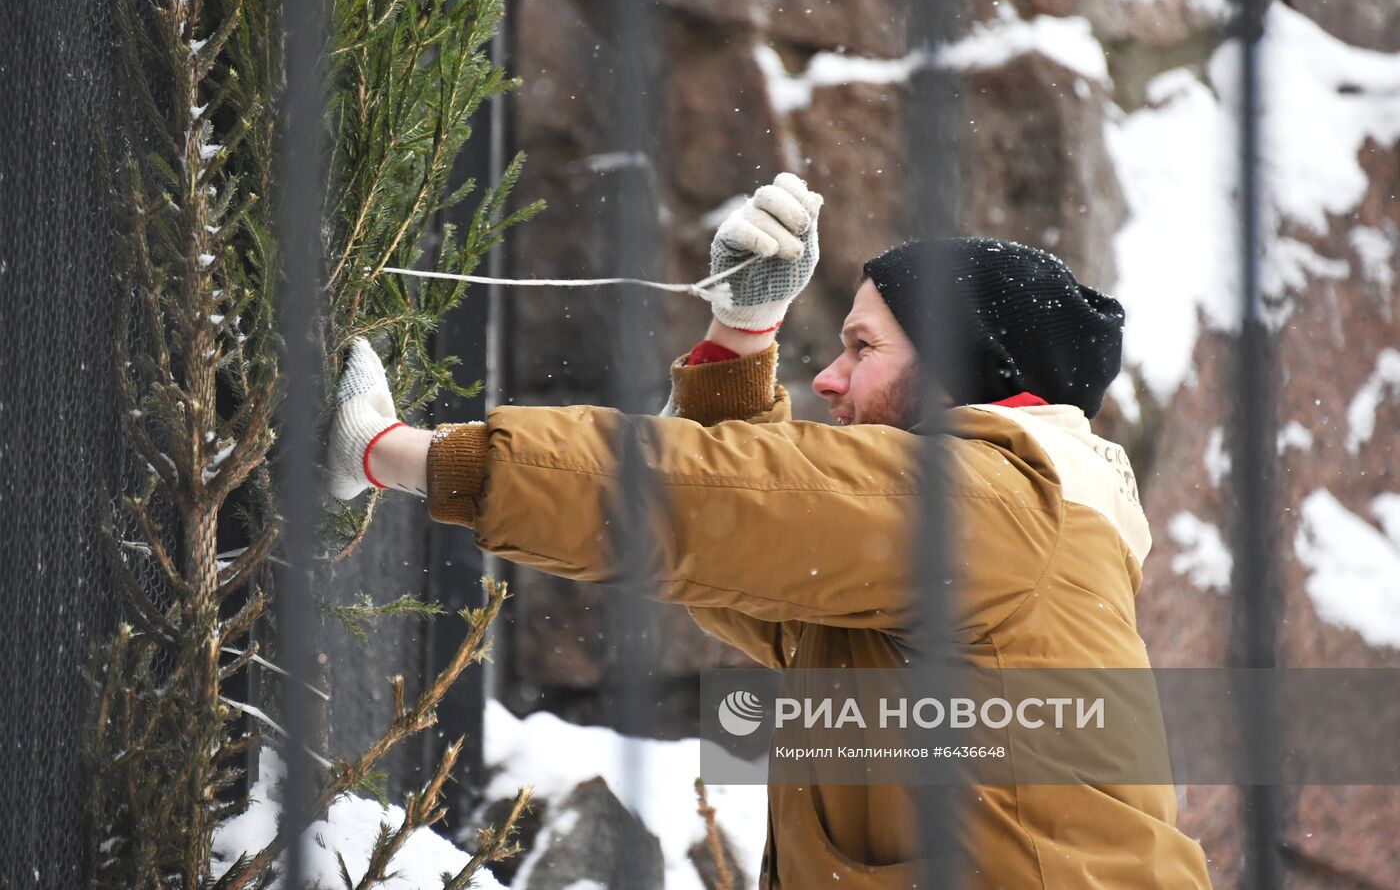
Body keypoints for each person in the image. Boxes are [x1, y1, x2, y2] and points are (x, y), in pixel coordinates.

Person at [325, 174, 1213, 888]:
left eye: (863, 348)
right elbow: (735, 542)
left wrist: (396, 454)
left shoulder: (993, 505)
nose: (827, 379)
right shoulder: (967, 538)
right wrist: (741, 334)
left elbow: (709, 507)